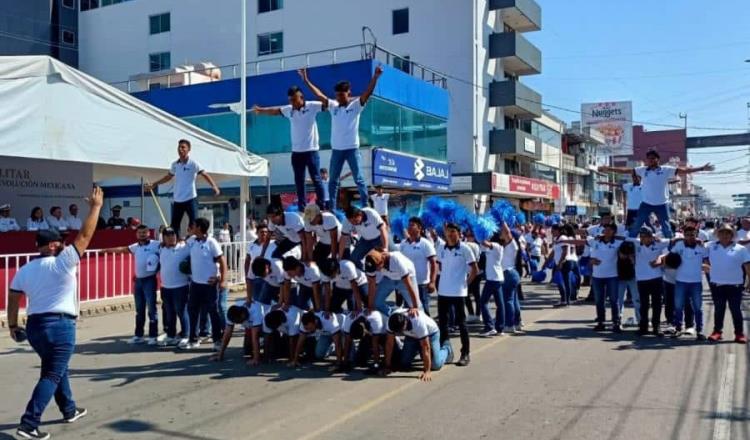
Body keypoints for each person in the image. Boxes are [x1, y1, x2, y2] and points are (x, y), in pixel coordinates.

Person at [7, 185, 103, 440]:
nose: (63, 243)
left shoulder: (25, 269)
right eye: (59, 241)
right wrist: (95, 208)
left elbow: (13, 297)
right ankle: (29, 424)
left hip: (35, 328)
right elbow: (84, 236)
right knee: (51, 373)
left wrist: (13, 326)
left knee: (56, 368)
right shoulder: (63, 261)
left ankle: (69, 409)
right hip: (60, 326)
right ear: (51, 245)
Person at [299, 65, 384, 210]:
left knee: (359, 179)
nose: (338, 98)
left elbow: (367, 93)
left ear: (348, 93)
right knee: (333, 181)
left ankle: (365, 206)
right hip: (337, 150)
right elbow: (319, 95)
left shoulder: (356, 105)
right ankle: (331, 208)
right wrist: (306, 81)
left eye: (341, 95)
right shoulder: (333, 106)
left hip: (352, 149)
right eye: (337, 95)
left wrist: (375, 77)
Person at [599, 149, 714, 239]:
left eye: (653, 158)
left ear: (658, 159)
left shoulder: (665, 169)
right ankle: (631, 241)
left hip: (661, 204)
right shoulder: (643, 170)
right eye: (649, 159)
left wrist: (701, 168)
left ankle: (671, 243)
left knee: (666, 227)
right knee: (637, 224)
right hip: (646, 203)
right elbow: (625, 170)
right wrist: (608, 168)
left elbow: (683, 170)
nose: (651, 160)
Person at [252, 77, 326, 212]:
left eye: (294, 99)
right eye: (290, 100)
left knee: (316, 179)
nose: (292, 102)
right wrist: (261, 110)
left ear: (301, 97)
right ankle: (302, 207)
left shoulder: (312, 106)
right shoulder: (289, 110)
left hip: (311, 151)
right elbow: (275, 111)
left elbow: (327, 103)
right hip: (296, 152)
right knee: (299, 181)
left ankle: (322, 205)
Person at [144, 139, 221, 236]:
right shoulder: (175, 164)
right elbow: (168, 177)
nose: (180, 149)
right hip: (178, 199)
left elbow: (205, 174)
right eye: (179, 147)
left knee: (194, 223)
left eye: (183, 147)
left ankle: (193, 241)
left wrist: (214, 186)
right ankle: (175, 244)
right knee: (175, 225)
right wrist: (154, 184)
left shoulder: (193, 163)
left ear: (189, 149)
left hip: (190, 198)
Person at [103, 225, 162, 344]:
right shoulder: (135, 247)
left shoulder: (156, 244)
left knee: (151, 309)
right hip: (138, 282)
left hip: (150, 280)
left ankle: (153, 336)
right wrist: (106, 250)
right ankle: (139, 335)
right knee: (139, 310)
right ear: (136, 234)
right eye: (140, 233)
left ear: (148, 233)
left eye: (144, 232)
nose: (142, 234)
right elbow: (122, 249)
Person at [435, 222, 478, 367]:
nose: (450, 234)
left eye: (453, 231)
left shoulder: (465, 248)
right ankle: (446, 351)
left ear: (459, 233)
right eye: (448, 232)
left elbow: (475, 269)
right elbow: (439, 265)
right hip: (443, 291)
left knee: (462, 324)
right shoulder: (441, 248)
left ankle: (465, 353)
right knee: (443, 323)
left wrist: (466, 282)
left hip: (459, 292)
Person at [186, 217, 228, 350]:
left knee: (213, 311)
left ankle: (217, 340)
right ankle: (193, 339)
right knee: (193, 311)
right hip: (195, 284)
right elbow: (180, 245)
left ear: (199, 227)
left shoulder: (211, 242)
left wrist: (223, 280)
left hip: (209, 284)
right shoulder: (191, 241)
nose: (191, 227)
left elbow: (222, 261)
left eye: (193, 225)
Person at [706, 223, 750, 343]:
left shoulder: (741, 249)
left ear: (732, 235)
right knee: (719, 309)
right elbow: (698, 254)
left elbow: (747, 265)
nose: (725, 235)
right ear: (718, 234)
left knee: (735, 309)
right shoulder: (710, 246)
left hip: (735, 285)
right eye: (722, 233)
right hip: (717, 285)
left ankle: (739, 333)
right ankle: (717, 332)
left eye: (728, 233)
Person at [382, 310, 454, 382]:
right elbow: (389, 344)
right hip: (411, 336)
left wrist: (427, 371)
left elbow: (426, 347)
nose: (399, 332)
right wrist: (387, 366)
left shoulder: (418, 322)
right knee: (404, 363)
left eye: (400, 330)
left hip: (431, 334)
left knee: (435, 365)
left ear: (405, 322)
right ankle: (417, 349)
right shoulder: (390, 322)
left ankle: (447, 348)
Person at [668, 225, 708, 340]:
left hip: (696, 282)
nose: (690, 237)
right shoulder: (678, 245)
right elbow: (670, 256)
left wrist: (707, 266)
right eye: (687, 235)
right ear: (684, 235)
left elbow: (707, 261)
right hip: (680, 281)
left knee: (697, 308)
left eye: (692, 234)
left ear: (696, 234)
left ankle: (699, 331)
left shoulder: (702, 247)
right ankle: (678, 328)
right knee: (678, 306)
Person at [629, 227, 669, 336]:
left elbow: (674, 241)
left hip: (656, 278)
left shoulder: (659, 243)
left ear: (651, 237)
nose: (643, 238)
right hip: (641, 279)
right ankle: (643, 327)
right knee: (644, 304)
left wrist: (661, 259)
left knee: (657, 304)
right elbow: (624, 238)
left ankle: (656, 327)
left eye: (646, 236)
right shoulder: (637, 243)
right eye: (641, 236)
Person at [158, 227, 191, 348]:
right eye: (167, 235)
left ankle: (186, 335)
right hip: (165, 287)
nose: (170, 237)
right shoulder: (160, 248)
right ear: (163, 238)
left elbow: (193, 239)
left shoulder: (184, 248)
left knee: (182, 312)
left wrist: (184, 238)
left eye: (173, 234)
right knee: (169, 313)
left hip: (180, 287)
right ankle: (171, 335)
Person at [398, 217, 437, 316]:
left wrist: (432, 282)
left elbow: (434, 263)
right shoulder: (403, 244)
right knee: (409, 311)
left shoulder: (425, 244)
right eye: (409, 225)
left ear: (419, 228)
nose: (409, 227)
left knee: (423, 311)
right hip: (407, 283)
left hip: (422, 284)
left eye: (412, 225)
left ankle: (428, 331)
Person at [364, 249, 420, 316]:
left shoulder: (396, 260)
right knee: (376, 303)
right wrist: (370, 307)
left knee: (415, 306)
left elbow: (408, 285)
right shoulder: (370, 264)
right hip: (388, 278)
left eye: (376, 268)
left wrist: (415, 307)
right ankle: (393, 316)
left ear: (381, 261)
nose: (375, 271)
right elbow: (371, 285)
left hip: (407, 278)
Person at [340, 205, 388, 269]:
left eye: (356, 221)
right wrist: (339, 257)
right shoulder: (346, 222)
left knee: (386, 257)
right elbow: (343, 239)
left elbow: (382, 230)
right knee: (353, 259)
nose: (354, 223)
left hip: (379, 237)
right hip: (365, 239)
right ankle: (364, 273)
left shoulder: (371, 213)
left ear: (360, 215)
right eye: (351, 222)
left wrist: (385, 248)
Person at [478, 232, 504, 337]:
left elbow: (484, 242)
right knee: (499, 304)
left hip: (493, 279)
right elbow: (483, 246)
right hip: (495, 278)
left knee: (483, 302)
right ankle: (499, 328)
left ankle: (489, 326)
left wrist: (478, 233)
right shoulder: (491, 249)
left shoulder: (497, 246)